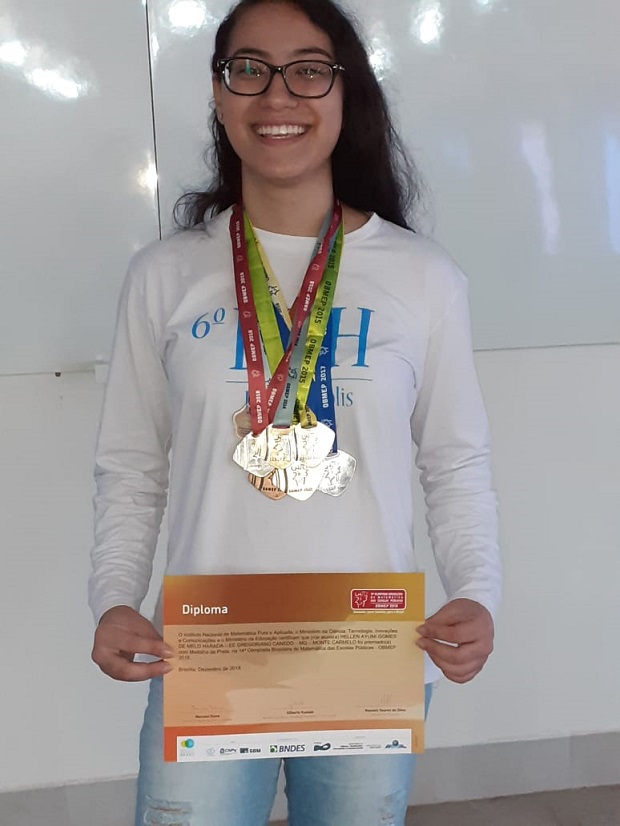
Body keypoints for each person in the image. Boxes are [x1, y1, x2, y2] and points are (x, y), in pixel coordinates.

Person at [89, 0, 501, 823]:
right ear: (219, 92)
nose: (277, 97)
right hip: (207, 650)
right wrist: (112, 595)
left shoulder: (421, 278)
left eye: (308, 70)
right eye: (250, 70)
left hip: (364, 648)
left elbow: (454, 460)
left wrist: (480, 589)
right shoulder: (165, 276)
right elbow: (132, 464)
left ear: (347, 96)